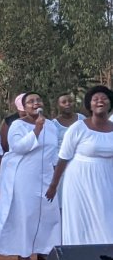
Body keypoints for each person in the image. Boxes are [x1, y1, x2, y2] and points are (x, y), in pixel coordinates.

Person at [0, 92, 61, 260]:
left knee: (49, 212)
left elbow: (53, 150)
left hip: (47, 174)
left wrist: (56, 174)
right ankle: (24, 252)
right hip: (25, 174)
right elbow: (17, 147)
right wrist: (36, 130)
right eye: (30, 102)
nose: (35, 103)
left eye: (38, 100)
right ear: (24, 107)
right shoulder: (18, 125)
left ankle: (45, 249)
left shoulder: (51, 125)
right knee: (27, 213)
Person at [46, 86, 113, 245]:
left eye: (104, 98)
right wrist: (54, 185)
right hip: (79, 180)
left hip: (106, 179)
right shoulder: (78, 127)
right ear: (89, 105)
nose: (100, 101)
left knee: (106, 218)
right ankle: (82, 258)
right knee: (82, 221)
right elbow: (63, 157)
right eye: (95, 99)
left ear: (110, 104)